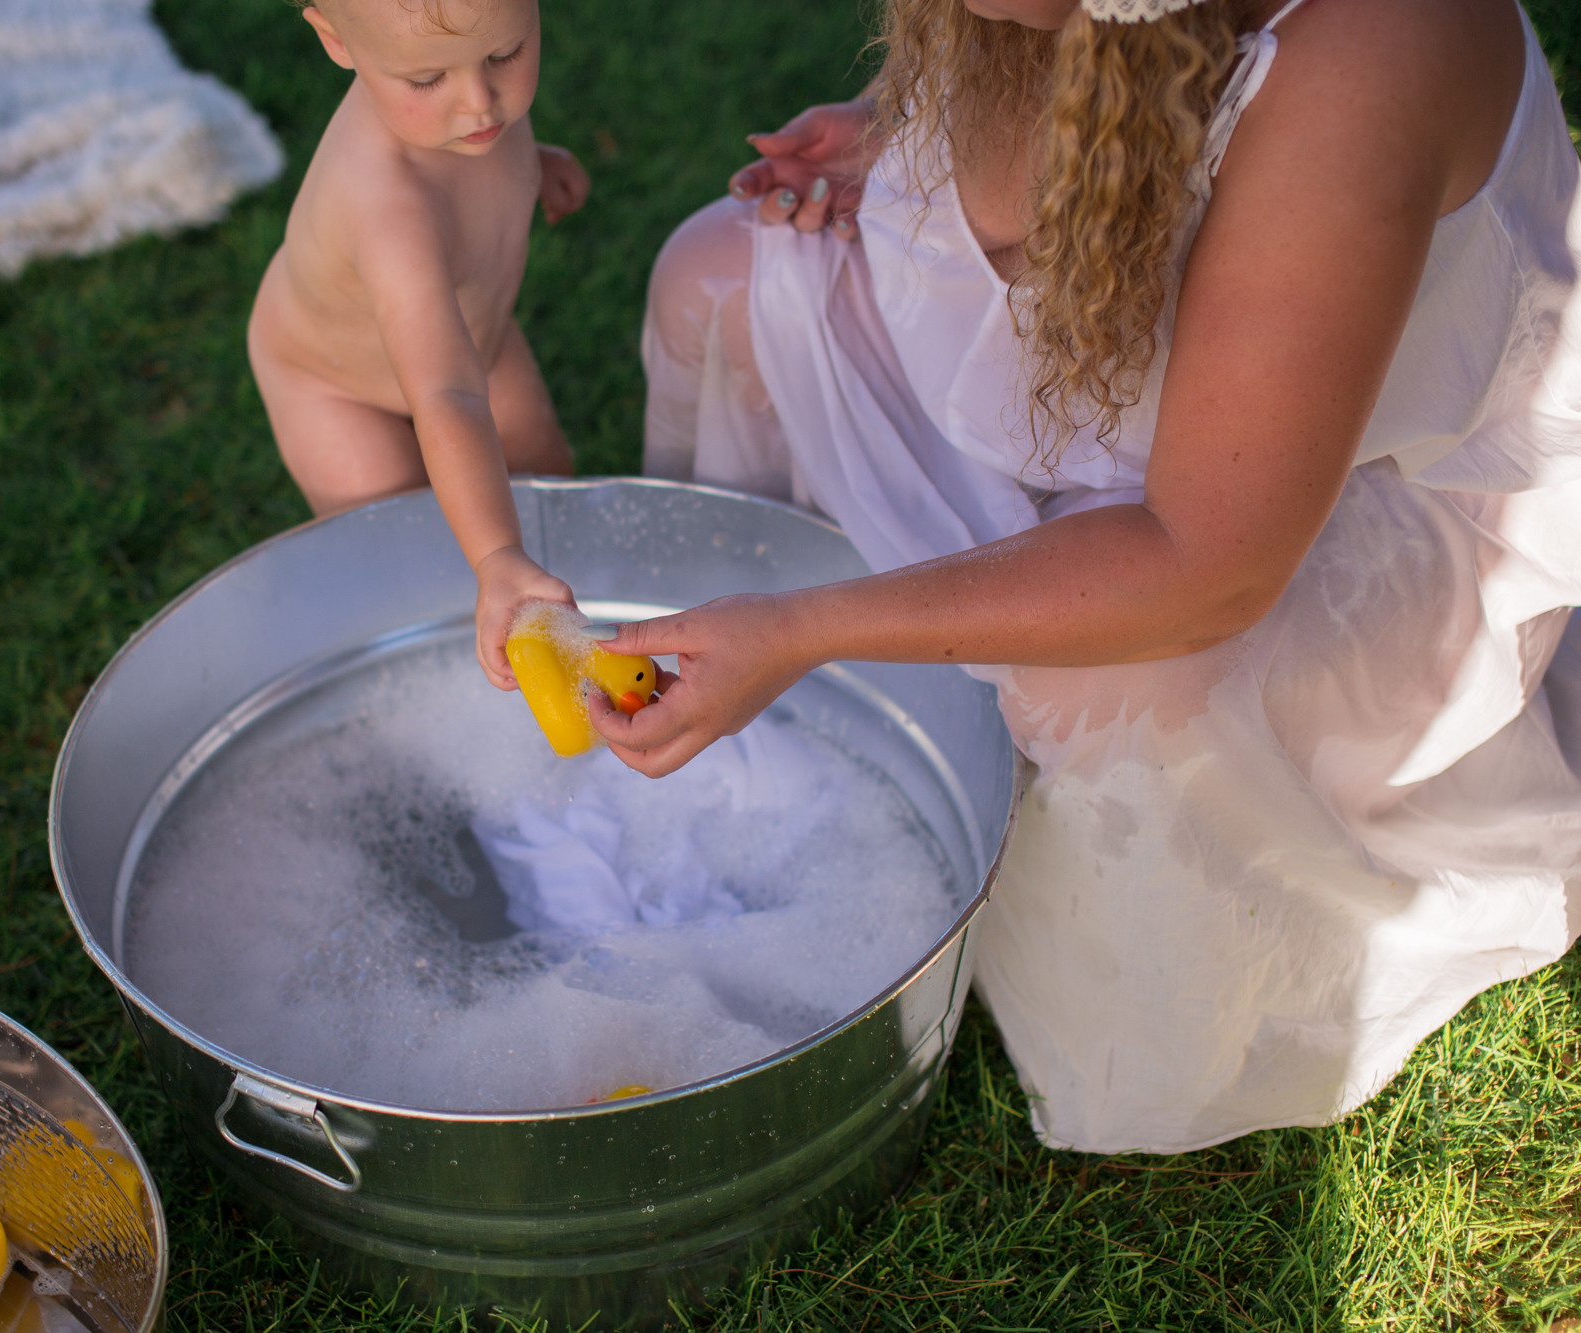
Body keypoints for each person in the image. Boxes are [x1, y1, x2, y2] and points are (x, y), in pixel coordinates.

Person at [592, 0, 1581, 1153]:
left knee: (1108, 686)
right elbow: (1121, 111)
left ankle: (991, 831)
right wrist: (903, 133)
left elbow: (1203, 563)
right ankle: (804, 731)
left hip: (1345, 504)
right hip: (1137, 395)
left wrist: (805, 624)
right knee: (726, 280)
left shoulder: (1372, 52)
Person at [250, 0, 589, 689]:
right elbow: (447, 392)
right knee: (400, 547)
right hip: (333, 383)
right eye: (427, 80)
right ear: (334, 39)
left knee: (544, 476)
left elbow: (479, 117)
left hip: (473, 339)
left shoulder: (466, 111)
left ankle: (540, 601)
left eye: (505, 54)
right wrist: (495, 554)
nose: (480, 105)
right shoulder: (388, 204)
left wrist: (536, 162)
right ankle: (437, 679)